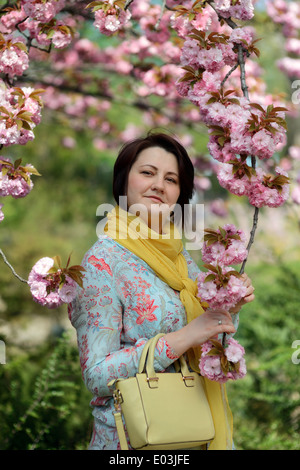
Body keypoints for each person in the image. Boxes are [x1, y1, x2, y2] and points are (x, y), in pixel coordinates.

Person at [68, 131, 255, 450]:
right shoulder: (102, 261)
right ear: (124, 181)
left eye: (171, 179)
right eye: (147, 173)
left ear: (180, 194)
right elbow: (96, 376)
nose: (159, 185)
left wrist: (228, 310)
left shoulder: (180, 261)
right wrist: (182, 339)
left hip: (195, 432)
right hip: (133, 441)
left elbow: (209, 338)